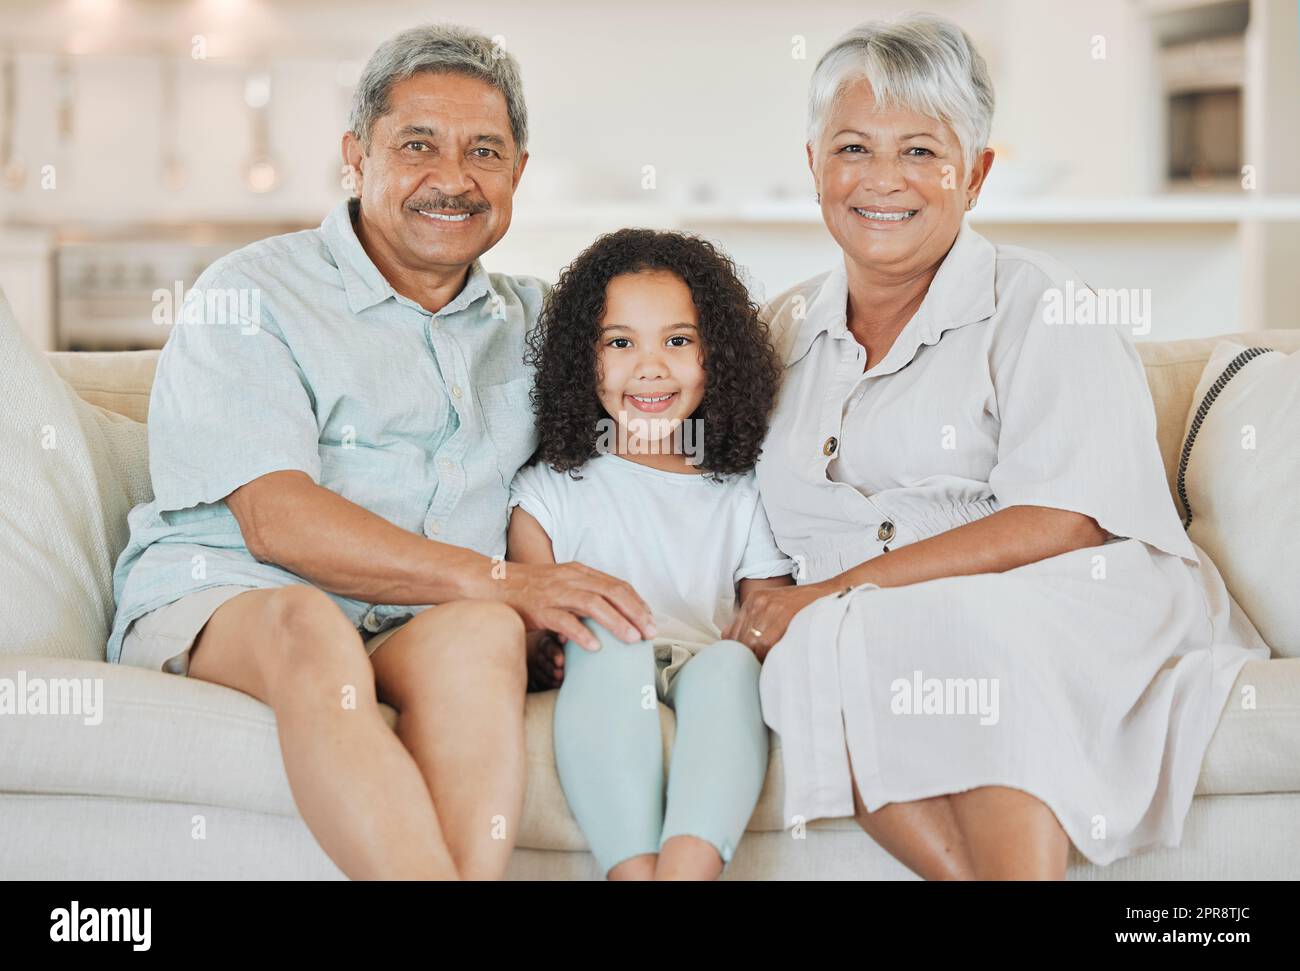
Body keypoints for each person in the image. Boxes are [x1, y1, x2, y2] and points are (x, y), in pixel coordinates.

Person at [728, 14, 1270, 879]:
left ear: (975, 174)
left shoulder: (1042, 302)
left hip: (1058, 593)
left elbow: (1062, 521)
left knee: (941, 625)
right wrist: (772, 602)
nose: (882, 180)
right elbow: (728, 506)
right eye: (853, 148)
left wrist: (833, 591)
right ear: (813, 165)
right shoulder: (775, 331)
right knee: (821, 653)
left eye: (919, 151)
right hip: (863, 614)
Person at [106, 24, 653, 881]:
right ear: (356, 157)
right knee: (308, 623)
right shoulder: (250, 293)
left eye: (484, 151)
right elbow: (278, 521)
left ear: (517, 174)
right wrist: (507, 582)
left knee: (482, 637)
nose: (454, 178)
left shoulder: (546, 323)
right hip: (249, 597)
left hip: (422, 618)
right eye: (418, 145)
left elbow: (683, 413)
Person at [507, 229, 795, 879]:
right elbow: (528, 609)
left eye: (678, 339)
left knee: (729, 666)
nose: (650, 366)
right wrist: (543, 643)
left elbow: (768, 610)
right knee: (609, 644)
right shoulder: (548, 488)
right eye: (619, 342)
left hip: (703, 658)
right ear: (583, 361)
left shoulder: (741, 489)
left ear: (715, 355)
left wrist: (753, 639)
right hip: (600, 662)